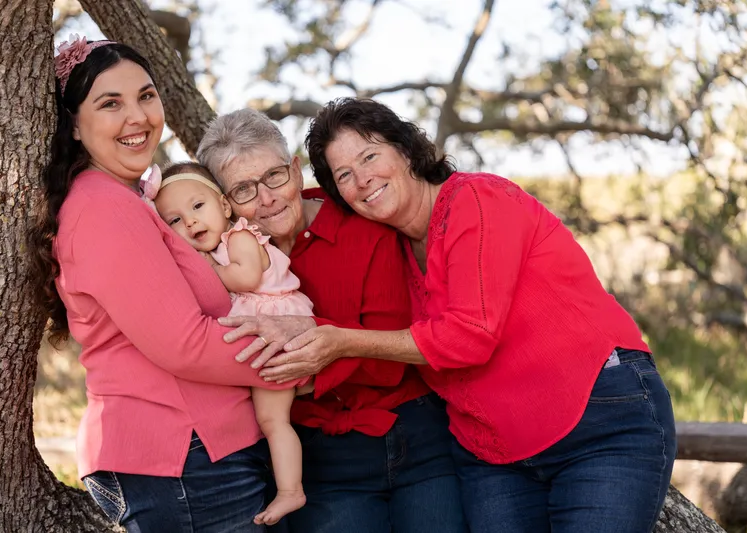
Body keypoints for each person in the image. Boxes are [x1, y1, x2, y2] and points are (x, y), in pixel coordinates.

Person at [258, 97, 678, 533]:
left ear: (404, 150)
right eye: (344, 175)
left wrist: (341, 340)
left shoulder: (476, 200)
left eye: (370, 156)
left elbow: (469, 334)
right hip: (492, 454)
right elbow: (302, 206)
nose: (362, 180)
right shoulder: (394, 249)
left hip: (595, 422)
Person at [27, 36, 306, 532]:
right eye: (110, 103)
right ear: (73, 122)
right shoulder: (102, 208)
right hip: (182, 457)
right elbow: (185, 344)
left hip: (199, 455)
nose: (137, 117)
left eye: (146, 96)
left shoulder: (130, 200)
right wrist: (303, 358)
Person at [197, 109, 467, 533]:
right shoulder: (220, 263)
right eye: (244, 190)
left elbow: (388, 362)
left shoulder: (363, 225)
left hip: (414, 436)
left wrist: (306, 347)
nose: (267, 198)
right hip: (319, 455)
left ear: (294, 168)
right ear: (224, 203)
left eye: (274, 177)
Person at [143, 161, 313, 525]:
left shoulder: (240, 236)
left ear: (223, 206)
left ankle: (290, 491)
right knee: (268, 419)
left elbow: (247, 276)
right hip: (263, 329)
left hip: (278, 326)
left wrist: (206, 268)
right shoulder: (220, 245)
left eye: (197, 206)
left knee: (273, 420)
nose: (189, 222)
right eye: (174, 220)